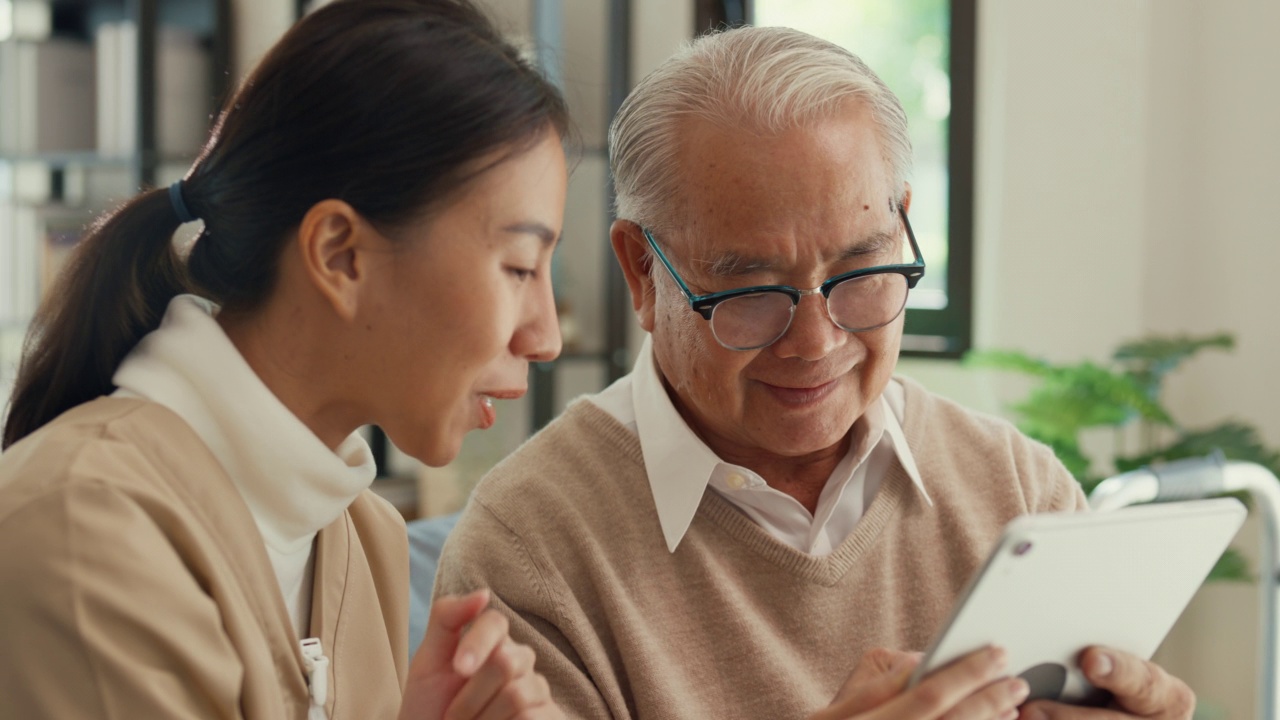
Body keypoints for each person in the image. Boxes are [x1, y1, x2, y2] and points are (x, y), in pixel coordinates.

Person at [434, 25, 1197, 720]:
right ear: (642, 271)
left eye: (861, 269)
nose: (814, 341)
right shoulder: (530, 549)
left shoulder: (1015, 491)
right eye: (751, 288)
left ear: (901, 221)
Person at [0, 1, 568, 718]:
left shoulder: (364, 539)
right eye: (520, 267)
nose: (545, 336)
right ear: (340, 254)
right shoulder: (84, 530)